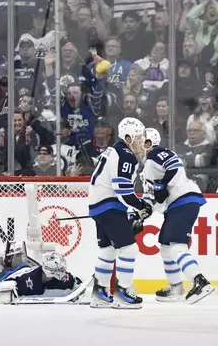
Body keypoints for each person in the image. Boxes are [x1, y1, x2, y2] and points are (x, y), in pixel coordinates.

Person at [141, 128, 215, 304]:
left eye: (140, 140)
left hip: (184, 201)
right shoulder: (146, 167)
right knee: (166, 247)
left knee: (176, 246)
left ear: (149, 142)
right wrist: (139, 216)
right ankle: (176, 287)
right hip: (177, 205)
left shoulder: (157, 153)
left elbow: (174, 166)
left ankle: (200, 281)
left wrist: (162, 185)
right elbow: (150, 200)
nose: (137, 144)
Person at [88, 117, 153, 309]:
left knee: (107, 250)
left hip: (98, 206)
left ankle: (99, 293)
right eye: (139, 136)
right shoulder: (125, 154)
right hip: (110, 206)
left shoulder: (112, 150)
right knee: (129, 248)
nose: (142, 141)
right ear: (128, 136)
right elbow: (122, 190)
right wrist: (141, 205)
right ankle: (123, 292)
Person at [0, 242, 83, 303]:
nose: (63, 273)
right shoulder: (24, 278)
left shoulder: (65, 279)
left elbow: (78, 285)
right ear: (50, 271)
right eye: (60, 270)